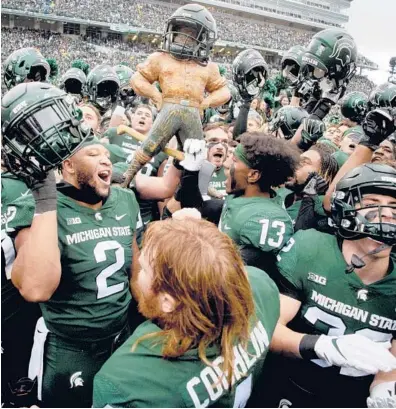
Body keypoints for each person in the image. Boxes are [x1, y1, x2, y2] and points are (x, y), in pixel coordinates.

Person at [8, 134, 140, 407]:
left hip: (120, 335)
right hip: (69, 348)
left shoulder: (125, 199)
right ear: (68, 165)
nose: (105, 158)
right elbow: (35, 288)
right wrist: (45, 203)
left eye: (106, 154)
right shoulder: (38, 206)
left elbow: (136, 274)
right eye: (93, 153)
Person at [93, 218, 281, 408]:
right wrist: (192, 247)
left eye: (144, 270)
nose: (137, 273)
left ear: (167, 302)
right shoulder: (262, 287)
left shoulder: (125, 383)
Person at [265, 163, 396, 408]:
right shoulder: (311, 249)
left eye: (394, 207)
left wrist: (384, 387)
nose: (386, 215)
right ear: (345, 208)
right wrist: (320, 345)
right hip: (291, 387)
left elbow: (391, 363)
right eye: (371, 202)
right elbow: (268, 331)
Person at [218, 132, 300, 275]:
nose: (227, 163)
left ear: (253, 175)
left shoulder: (265, 218)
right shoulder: (242, 195)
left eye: (234, 160)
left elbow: (250, 274)